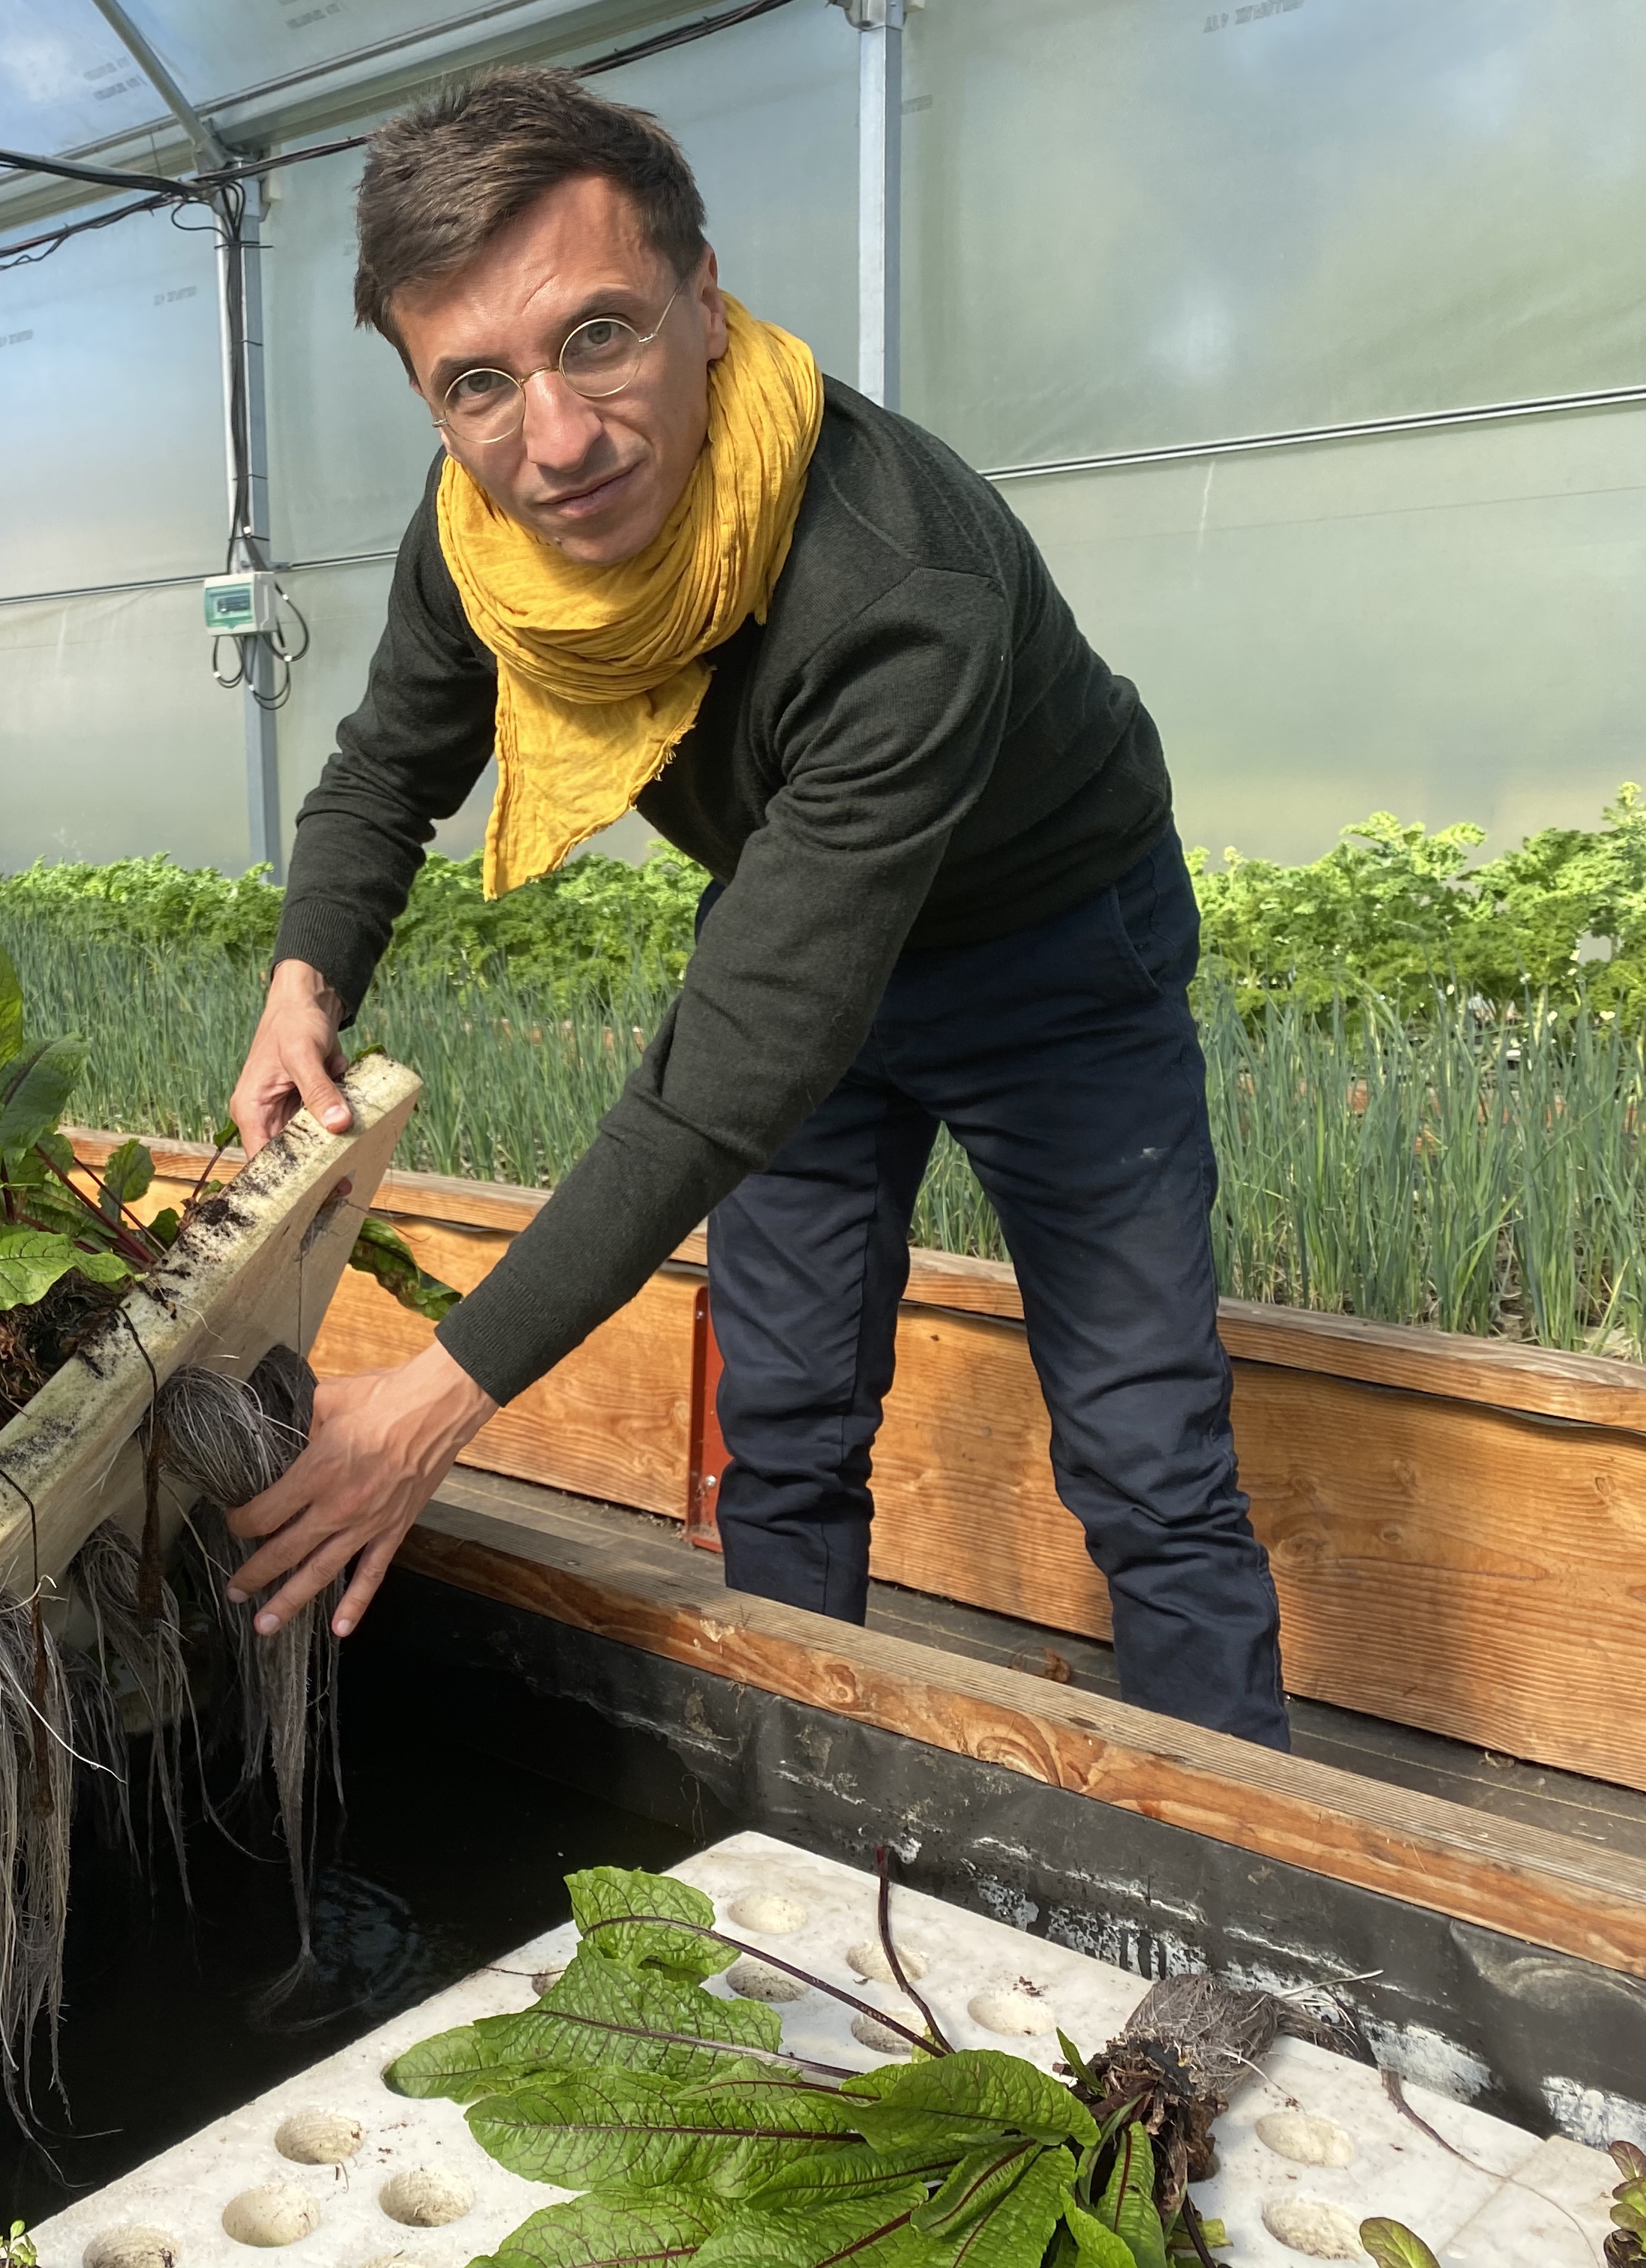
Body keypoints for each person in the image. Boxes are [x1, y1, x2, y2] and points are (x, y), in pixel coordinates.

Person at [218, 67, 1290, 1749]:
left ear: (704, 304)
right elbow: (383, 769)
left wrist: (436, 1398)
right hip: (803, 920)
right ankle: (796, 1818)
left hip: (1048, 948)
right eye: (478, 385)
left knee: (1148, 1453)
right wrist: (306, 979)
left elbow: (746, 1052)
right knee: (784, 1422)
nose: (555, 441)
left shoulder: (894, 587)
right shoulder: (484, 543)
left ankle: (1252, 1895)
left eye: (599, 336)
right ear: (430, 402)